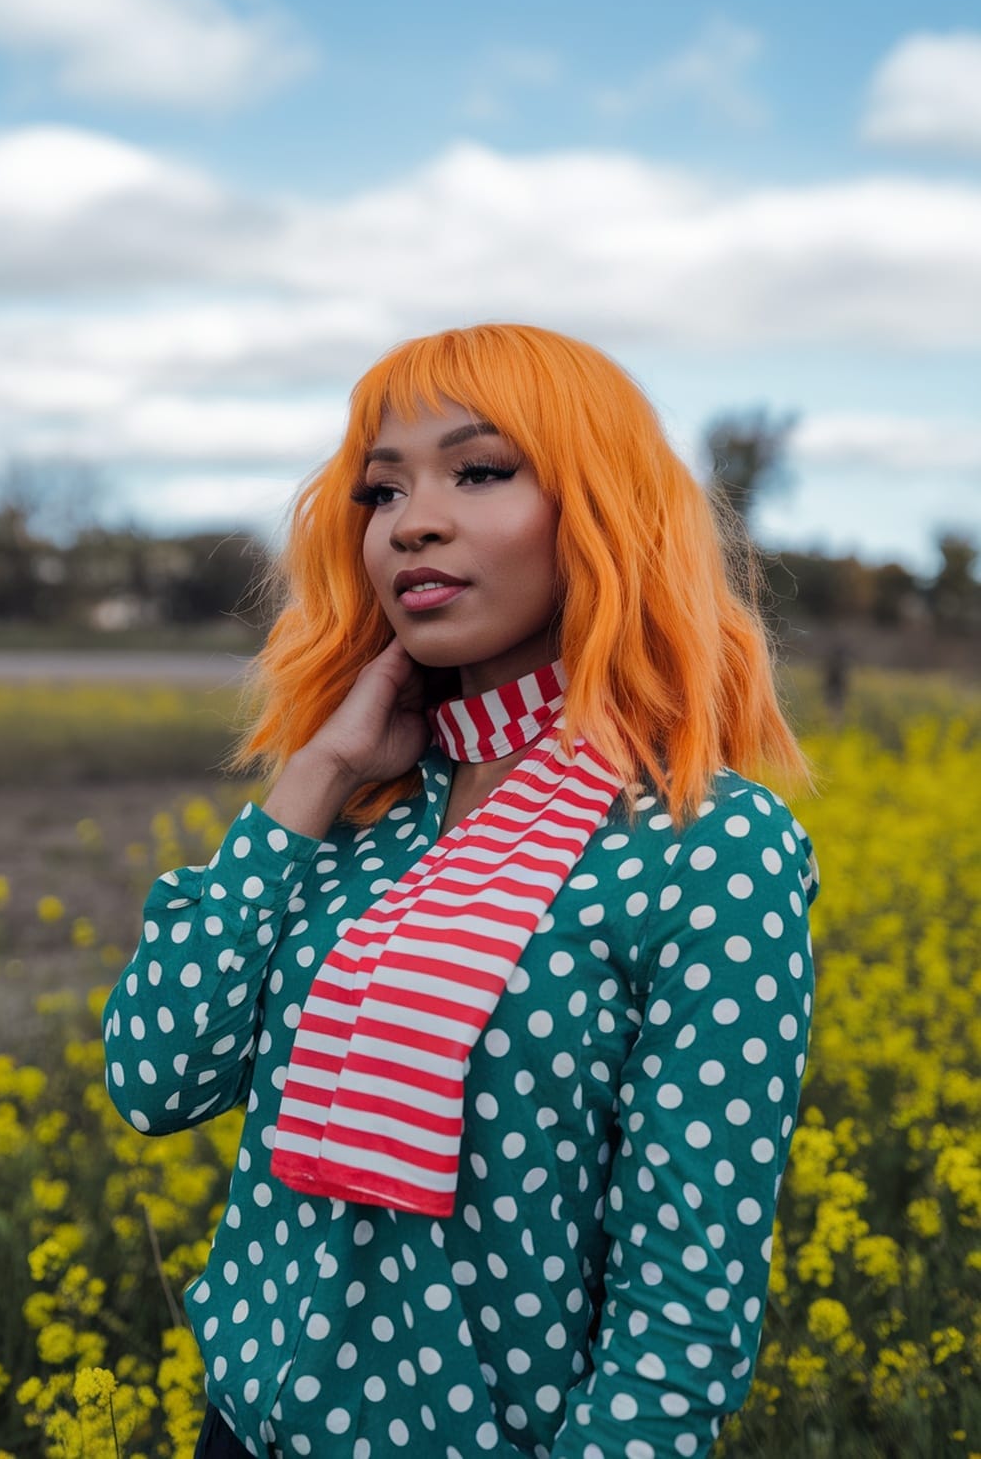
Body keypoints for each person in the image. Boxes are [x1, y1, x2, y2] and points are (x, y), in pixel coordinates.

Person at [104, 323, 818, 1459]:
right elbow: (155, 1077)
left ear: (596, 511)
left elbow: (681, 1311)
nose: (414, 520)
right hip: (240, 1430)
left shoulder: (706, 845)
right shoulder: (359, 811)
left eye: (478, 471)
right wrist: (315, 775)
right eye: (381, 492)